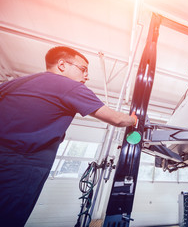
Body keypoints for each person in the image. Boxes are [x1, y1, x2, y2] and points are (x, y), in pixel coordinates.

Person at [0, 46, 137, 226]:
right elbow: (117, 119)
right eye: (83, 69)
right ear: (62, 65)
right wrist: (134, 119)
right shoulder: (69, 86)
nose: (86, 76)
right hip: (23, 165)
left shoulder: (15, 83)